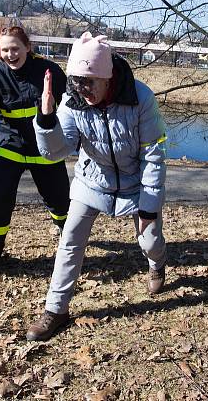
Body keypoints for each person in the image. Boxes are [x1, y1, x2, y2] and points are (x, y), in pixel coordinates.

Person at [25, 31, 168, 342]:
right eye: (77, 81)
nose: (82, 89)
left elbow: (154, 156)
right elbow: (56, 151)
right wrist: (47, 119)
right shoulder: (73, 100)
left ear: (108, 76)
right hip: (92, 180)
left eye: (90, 82)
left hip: (135, 183)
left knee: (149, 241)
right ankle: (56, 309)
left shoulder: (141, 98)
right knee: (70, 241)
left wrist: (148, 207)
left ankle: (157, 265)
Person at [0, 26, 71, 280]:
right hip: (10, 144)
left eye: (15, 49)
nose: (11, 54)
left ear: (27, 48)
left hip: (44, 146)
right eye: (5, 50)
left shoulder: (48, 70)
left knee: (60, 201)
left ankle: (69, 239)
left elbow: (70, 106)